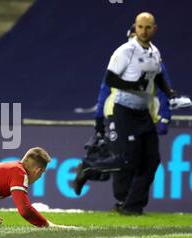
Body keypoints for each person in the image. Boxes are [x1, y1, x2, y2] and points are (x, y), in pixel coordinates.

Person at [75, 13, 188, 215]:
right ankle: (89, 168)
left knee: (152, 161)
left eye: (147, 27)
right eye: (140, 27)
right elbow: (110, 79)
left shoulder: (154, 52)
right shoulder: (125, 51)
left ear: (154, 29)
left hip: (143, 113)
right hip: (124, 111)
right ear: (135, 28)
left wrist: (169, 93)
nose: (143, 31)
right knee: (129, 160)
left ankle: (132, 207)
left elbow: (158, 74)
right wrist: (134, 86)